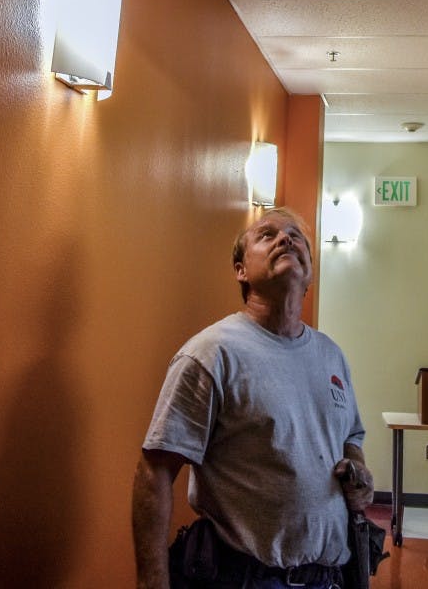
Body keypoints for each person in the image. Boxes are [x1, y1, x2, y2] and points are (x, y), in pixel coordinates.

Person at [132, 206, 374, 589]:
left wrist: (359, 474)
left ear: (309, 273)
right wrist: (152, 581)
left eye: (296, 237)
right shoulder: (212, 353)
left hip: (330, 577)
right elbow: (155, 470)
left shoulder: (331, 355)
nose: (286, 238)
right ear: (241, 271)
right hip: (245, 578)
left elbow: (351, 438)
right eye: (267, 234)